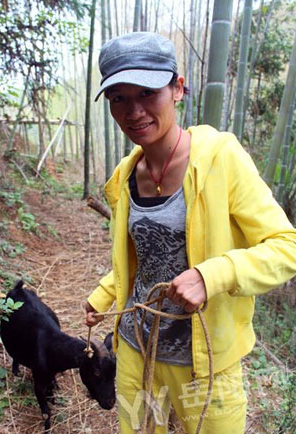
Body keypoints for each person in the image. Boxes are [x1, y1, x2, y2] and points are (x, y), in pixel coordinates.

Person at [84, 32, 296, 434]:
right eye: (119, 98)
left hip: (204, 363)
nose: (134, 111)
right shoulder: (124, 176)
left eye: (147, 92)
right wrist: (105, 294)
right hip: (135, 350)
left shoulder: (221, 158)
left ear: (178, 88)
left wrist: (211, 275)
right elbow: (142, 259)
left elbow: (288, 248)